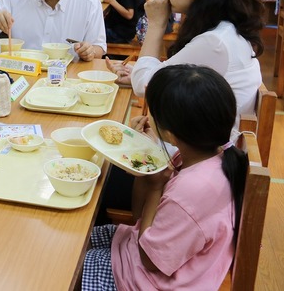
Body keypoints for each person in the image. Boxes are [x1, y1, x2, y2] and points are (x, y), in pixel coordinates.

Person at [82, 64, 248, 290]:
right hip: (140, 247)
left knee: (68, 262)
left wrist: (155, 187)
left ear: (169, 133)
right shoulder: (207, 154)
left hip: (144, 279)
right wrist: (146, 156)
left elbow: (150, 260)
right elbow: (139, 216)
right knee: (78, 238)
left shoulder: (194, 190)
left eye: (151, 109)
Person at [107, 0, 265, 138]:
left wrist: (156, 24)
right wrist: (137, 73)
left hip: (205, 159)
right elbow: (158, 78)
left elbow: (143, 85)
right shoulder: (226, 32)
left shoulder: (215, 43)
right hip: (202, 142)